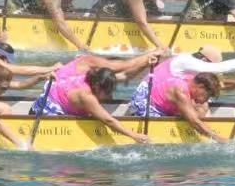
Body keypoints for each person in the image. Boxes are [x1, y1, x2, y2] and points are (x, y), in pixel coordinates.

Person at [122, 47, 235, 142]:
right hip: (145, 105)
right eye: (206, 95)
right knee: (200, 108)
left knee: (200, 106)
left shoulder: (191, 77)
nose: (205, 99)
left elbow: (220, 85)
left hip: (161, 99)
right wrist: (220, 139)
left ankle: (198, 128)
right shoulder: (184, 70)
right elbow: (194, 121)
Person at [28, 50, 165, 143]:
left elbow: (125, 75)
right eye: (107, 92)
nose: (109, 97)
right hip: (43, 115)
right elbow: (109, 121)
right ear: (98, 87)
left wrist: (147, 63)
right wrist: (135, 136)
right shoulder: (86, 95)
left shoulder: (93, 78)